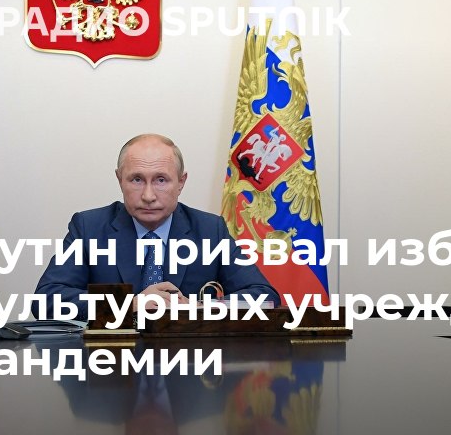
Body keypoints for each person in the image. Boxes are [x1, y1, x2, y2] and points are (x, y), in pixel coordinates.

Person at [34, 133, 278, 317]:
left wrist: (199, 307)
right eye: (137, 180)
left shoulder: (210, 230)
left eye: (161, 180)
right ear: (120, 180)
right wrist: (130, 304)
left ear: (181, 182)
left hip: (188, 363)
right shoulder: (89, 228)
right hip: (111, 363)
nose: (148, 195)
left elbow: (265, 297)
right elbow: (46, 299)